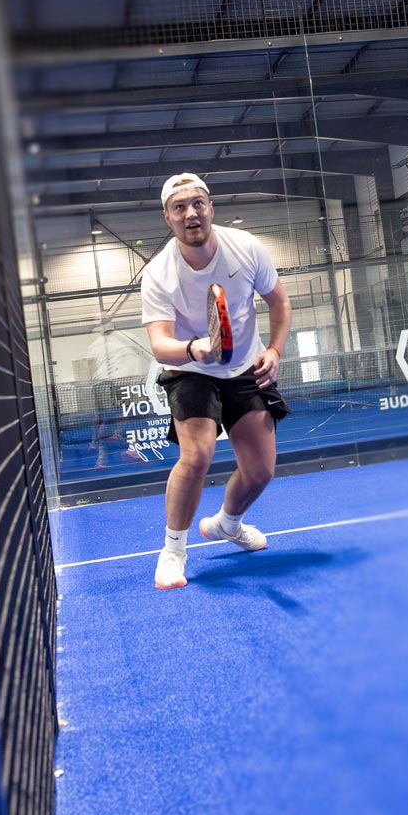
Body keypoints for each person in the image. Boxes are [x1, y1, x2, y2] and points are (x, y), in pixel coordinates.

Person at [141, 173, 292, 589]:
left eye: (198, 203)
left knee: (260, 473)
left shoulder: (245, 248)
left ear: (210, 208)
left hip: (245, 367)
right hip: (191, 371)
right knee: (197, 455)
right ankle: (173, 551)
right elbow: (159, 344)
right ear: (167, 217)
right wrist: (195, 349)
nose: (191, 213)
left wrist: (275, 350)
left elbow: (279, 302)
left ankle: (227, 523)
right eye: (179, 207)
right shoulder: (158, 274)